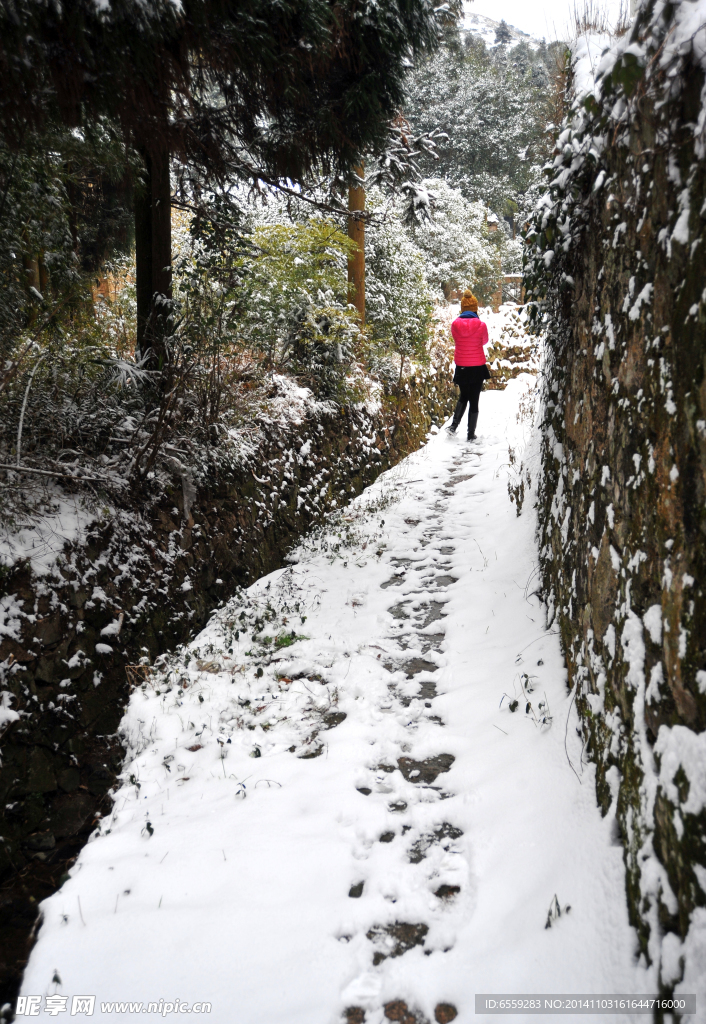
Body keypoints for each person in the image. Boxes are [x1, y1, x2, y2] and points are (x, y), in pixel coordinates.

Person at [447, 289, 490, 440]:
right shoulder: (481, 325)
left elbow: (456, 340)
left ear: (462, 308)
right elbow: (484, 341)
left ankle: (453, 426)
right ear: (475, 308)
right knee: (474, 399)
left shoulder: (455, 325)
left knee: (463, 396)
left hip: (462, 367)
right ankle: (471, 434)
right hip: (477, 367)